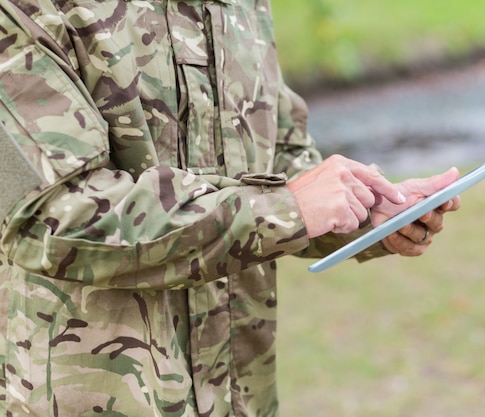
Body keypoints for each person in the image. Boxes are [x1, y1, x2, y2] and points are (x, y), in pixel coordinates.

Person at [0, 0, 460, 415]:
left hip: (243, 394)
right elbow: (49, 215)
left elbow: (280, 159)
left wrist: (368, 208)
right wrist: (283, 208)